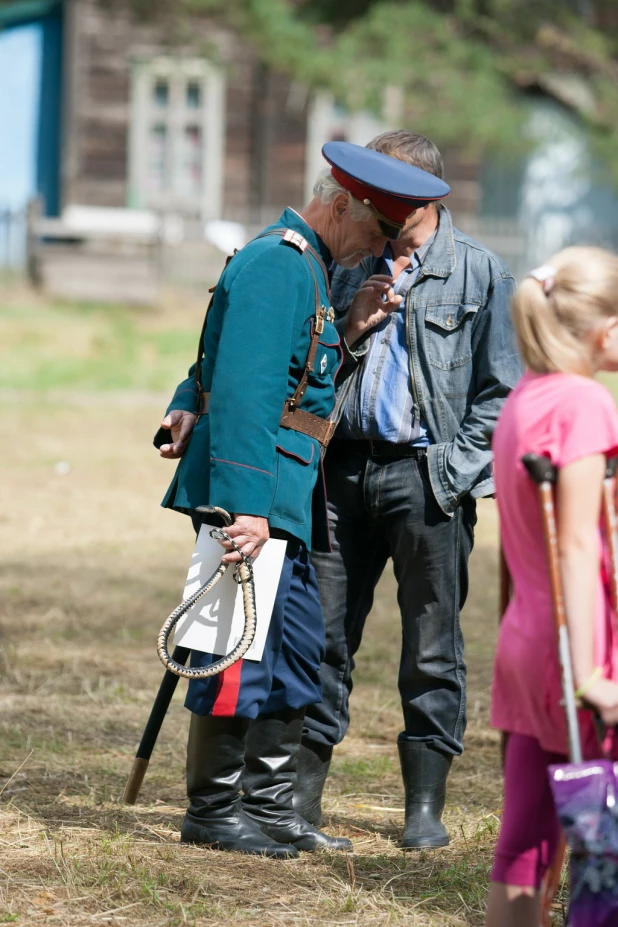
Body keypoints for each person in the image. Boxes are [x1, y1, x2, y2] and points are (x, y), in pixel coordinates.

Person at [155, 140, 451, 860]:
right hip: (254, 499)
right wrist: (244, 505)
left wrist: (349, 332)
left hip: (288, 495)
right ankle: (213, 808)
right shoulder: (278, 264)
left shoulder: (313, 269)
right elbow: (248, 392)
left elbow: (298, 380)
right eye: (379, 232)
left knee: (295, 650)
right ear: (343, 203)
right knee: (230, 647)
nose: (379, 249)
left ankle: (269, 805)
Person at [292, 131, 522, 849]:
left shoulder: (480, 274)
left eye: (377, 192)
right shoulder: (343, 262)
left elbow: (502, 394)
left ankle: (423, 809)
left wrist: (448, 471)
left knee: (432, 647)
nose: (361, 201)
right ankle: (302, 799)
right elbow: (311, 363)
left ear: (416, 196)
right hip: (339, 473)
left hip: (427, 481)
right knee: (322, 639)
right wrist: (355, 329)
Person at [486, 247, 618, 927]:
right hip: (577, 645)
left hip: (524, 637)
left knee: (528, 834)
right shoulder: (586, 402)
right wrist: (593, 672)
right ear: (603, 329)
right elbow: (575, 540)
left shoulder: (525, 397)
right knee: (602, 845)